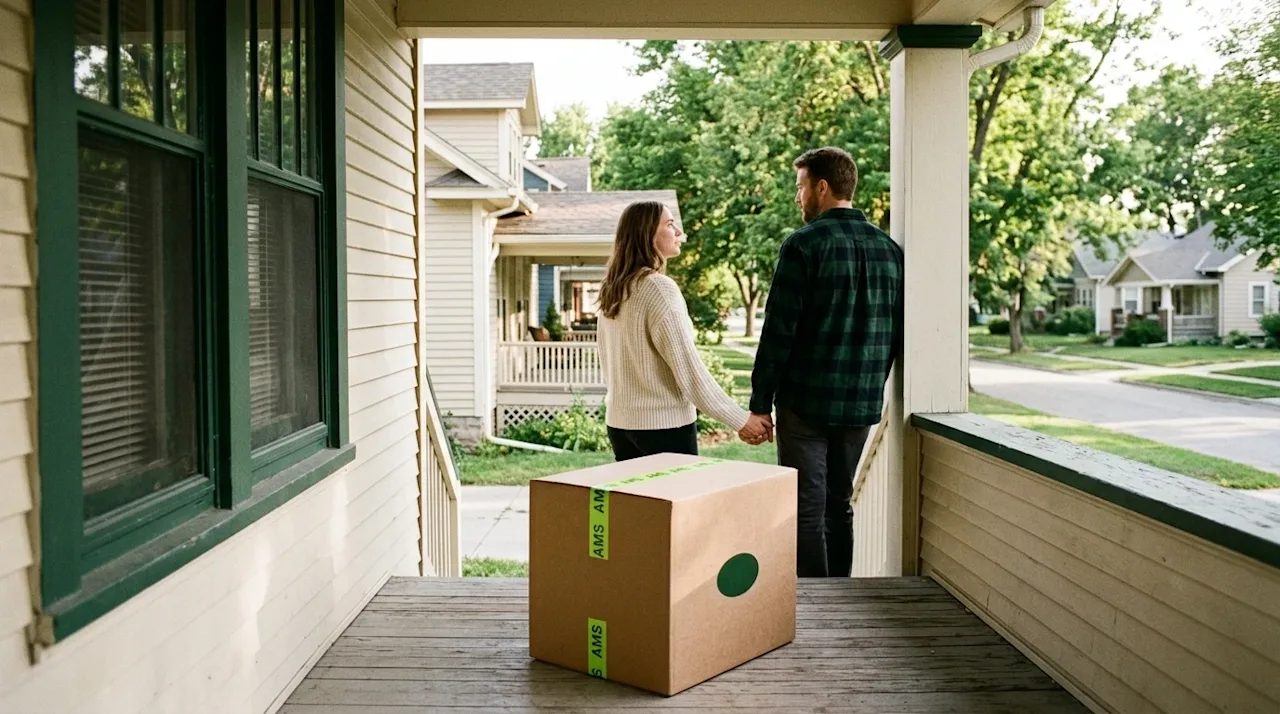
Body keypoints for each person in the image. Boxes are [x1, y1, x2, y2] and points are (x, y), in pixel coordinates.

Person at [748, 147, 905, 578]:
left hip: (806, 404)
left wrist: (760, 403)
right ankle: (844, 596)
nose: (797, 198)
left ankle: (814, 603)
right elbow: (895, 333)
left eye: (800, 188)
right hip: (859, 405)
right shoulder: (891, 252)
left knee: (805, 508)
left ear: (821, 187)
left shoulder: (803, 245)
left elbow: (779, 331)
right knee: (840, 504)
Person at [597, 201, 773, 461]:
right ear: (647, 235)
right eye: (669, 225)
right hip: (663, 429)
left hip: (621, 426)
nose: (679, 231)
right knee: (677, 503)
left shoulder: (613, 290)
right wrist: (741, 420)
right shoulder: (658, 288)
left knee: (638, 503)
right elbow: (690, 373)